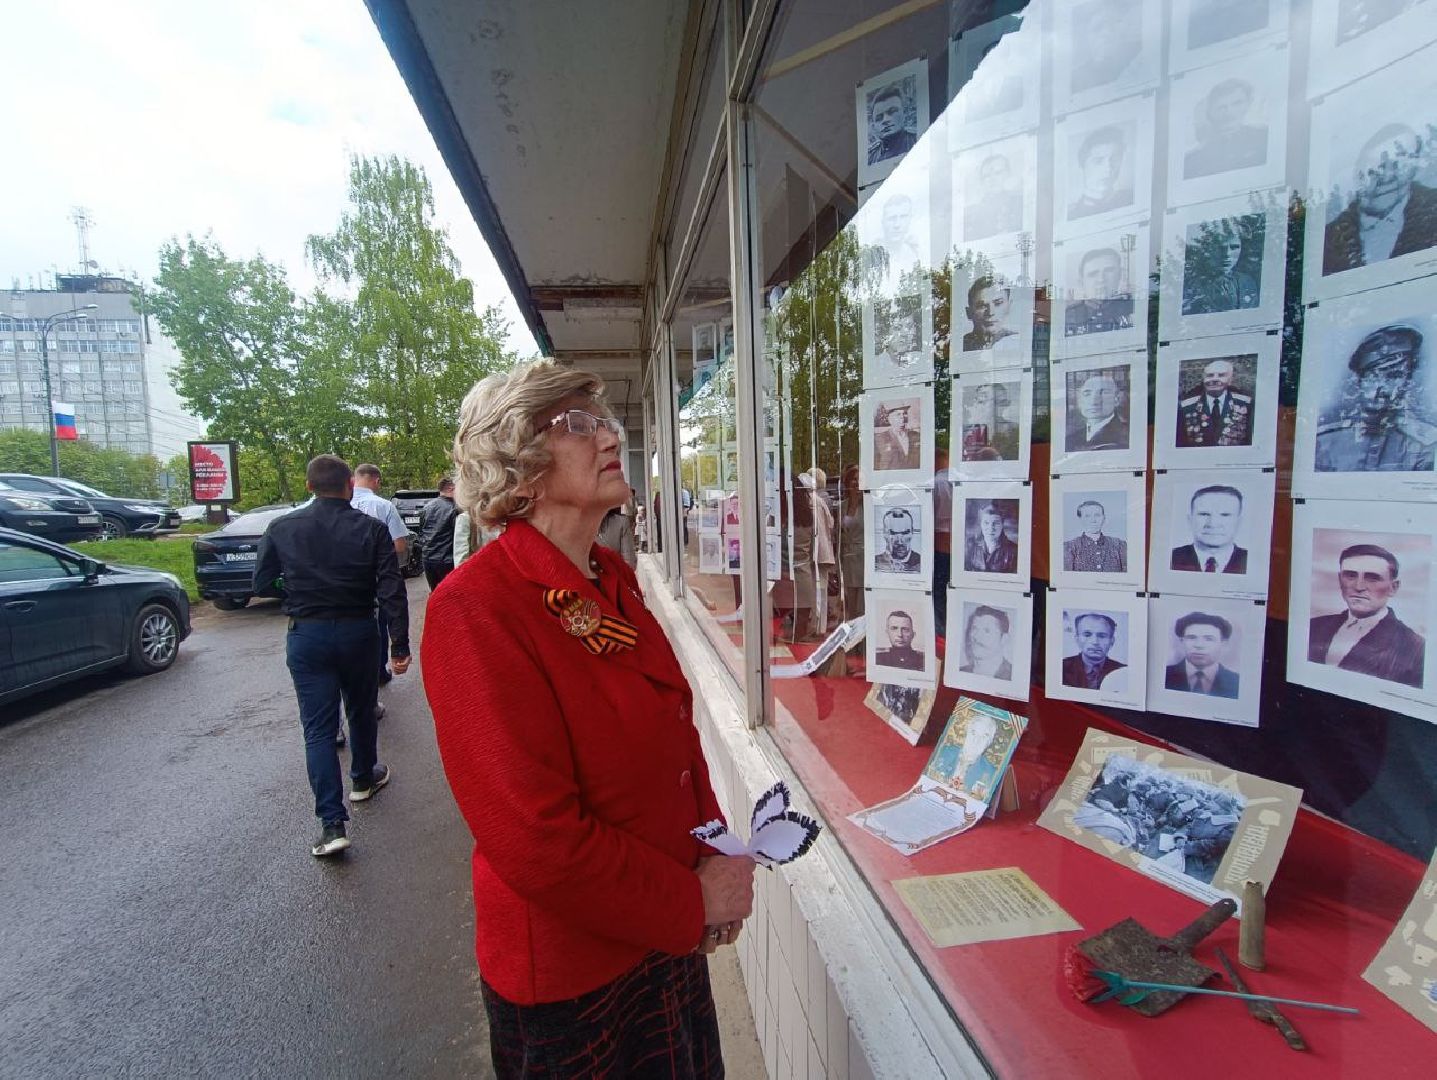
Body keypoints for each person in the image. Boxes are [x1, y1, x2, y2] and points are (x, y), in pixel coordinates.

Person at [421, 361, 755, 1076]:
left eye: (604, 422)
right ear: (518, 464)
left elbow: (674, 738)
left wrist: (713, 852)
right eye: (578, 424)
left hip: (658, 933)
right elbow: (534, 838)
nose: (608, 437)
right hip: (575, 976)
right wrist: (689, 899)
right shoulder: (474, 607)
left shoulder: (611, 575)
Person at [252, 454, 411, 857]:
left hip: (307, 634)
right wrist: (399, 645)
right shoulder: (372, 529)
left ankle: (331, 824)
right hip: (359, 631)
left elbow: (262, 582)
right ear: (349, 486)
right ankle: (363, 778)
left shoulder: (282, 527)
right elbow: (391, 588)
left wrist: (294, 588)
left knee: (319, 730)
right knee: (361, 709)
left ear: (309, 487)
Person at [1314, 324, 1437, 472]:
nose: (1381, 387)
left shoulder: (1424, 445)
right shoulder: (1326, 442)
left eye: (1394, 376)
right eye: (1373, 376)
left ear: (1406, 382)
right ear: (1359, 381)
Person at [1323, 122, 1437, 274]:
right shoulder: (1326, 241)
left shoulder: (1432, 213)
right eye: (1376, 165)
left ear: (1415, 168)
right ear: (1356, 172)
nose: (1388, 176)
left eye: (1400, 162)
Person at [1307, 543, 1426, 687]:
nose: (1359, 587)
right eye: (1350, 576)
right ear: (1340, 580)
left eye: (1372, 578)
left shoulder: (1416, 650)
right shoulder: (1313, 626)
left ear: (1393, 587)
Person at [350, 462, 408, 695]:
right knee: (379, 622)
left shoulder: (332, 504)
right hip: (376, 577)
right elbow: (400, 545)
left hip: (340, 585)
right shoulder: (383, 506)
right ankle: (379, 670)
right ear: (376, 481)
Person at [1183, 78, 1269, 179]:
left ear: (1249, 103)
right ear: (1210, 113)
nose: (1229, 112)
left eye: (1237, 103)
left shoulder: (1264, 136)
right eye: (1221, 107)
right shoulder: (1192, 159)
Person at [1182, 224, 1260, 315]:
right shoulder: (1193, 283)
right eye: (1220, 247)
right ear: (1210, 248)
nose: (1227, 254)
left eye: (1234, 247)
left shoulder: (1246, 281)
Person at [1176, 358, 1255, 447]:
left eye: (1221, 375)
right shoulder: (1186, 407)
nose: (1214, 379)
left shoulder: (1246, 404)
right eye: (1209, 375)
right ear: (1203, 379)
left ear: (1230, 380)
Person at [1071, 0, 1145, 93]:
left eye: (1112, 25)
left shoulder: (1141, 55)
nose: (1106, 33)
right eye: (1098, 28)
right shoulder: (1076, 78)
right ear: (1086, 38)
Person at [1171, 485, 1248, 573]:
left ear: (1239, 522)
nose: (1213, 524)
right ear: (1190, 520)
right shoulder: (1170, 558)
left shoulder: (1251, 562)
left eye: (1225, 515)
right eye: (1204, 514)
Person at [1165, 612, 1240, 698]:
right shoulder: (1165, 675)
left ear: (1223, 643)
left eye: (1209, 639)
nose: (1199, 645)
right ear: (1182, 641)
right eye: (1191, 638)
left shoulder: (1236, 682)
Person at [1064, 249, 1134, 338]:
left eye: (1109, 271)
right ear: (1081, 282)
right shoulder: (1070, 316)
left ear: (1120, 274)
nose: (1101, 279)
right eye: (1093, 274)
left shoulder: (1131, 308)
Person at [1068, 125, 1131, 220]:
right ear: (1082, 164)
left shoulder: (1130, 199)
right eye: (1098, 161)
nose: (1108, 168)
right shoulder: (1072, 216)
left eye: (1114, 159)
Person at [1066, 372, 1130, 452]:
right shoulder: (1070, 439)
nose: (1094, 401)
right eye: (1087, 393)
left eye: (1104, 392)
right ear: (1080, 399)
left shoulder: (1127, 436)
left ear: (1117, 399)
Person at [965, 152, 1024, 239]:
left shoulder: (1020, 202)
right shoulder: (973, 212)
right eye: (986, 176)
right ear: (982, 180)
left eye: (998, 173)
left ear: (1008, 173)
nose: (992, 179)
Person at [1061, 611, 1126, 689]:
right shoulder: (1061, 667)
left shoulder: (1124, 672)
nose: (1095, 642)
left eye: (1102, 636)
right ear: (1077, 639)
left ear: (1112, 641)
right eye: (1087, 635)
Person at [961, 277, 1022, 355]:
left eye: (998, 303)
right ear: (969, 313)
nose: (991, 312)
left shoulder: (1018, 342)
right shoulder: (960, 345)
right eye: (982, 306)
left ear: (1008, 307)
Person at [1063, 499, 1128, 572]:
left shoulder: (1119, 545)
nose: (1093, 520)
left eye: (1097, 515)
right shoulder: (1070, 547)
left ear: (1103, 518)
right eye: (1087, 516)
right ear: (1080, 519)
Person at [961, 381, 1020, 461]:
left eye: (999, 402)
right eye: (980, 400)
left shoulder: (1014, 429)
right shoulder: (965, 432)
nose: (990, 406)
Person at [419, 478, 460, 590]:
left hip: (428, 558)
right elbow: (459, 536)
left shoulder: (427, 507)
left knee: (435, 593)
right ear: (451, 488)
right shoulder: (455, 509)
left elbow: (421, 531)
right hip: (447, 560)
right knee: (451, 594)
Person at [838, 465, 865, 620]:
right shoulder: (842, 506)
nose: (856, 482)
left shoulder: (870, 505)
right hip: (847, 560)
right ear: (847, 483)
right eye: (853, 479)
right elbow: (840, 532)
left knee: (863, 607)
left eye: (859, 479)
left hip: (864, 560)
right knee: (851, 608)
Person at [867, 81, 917, 165]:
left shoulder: (917, 140)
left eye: (892, 111)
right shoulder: (871, 157)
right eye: (879, 118)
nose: (885, 120)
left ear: (904, 113)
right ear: (874, 125)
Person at [960, 605, 1013, 680]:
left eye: (987, 631)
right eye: (974, 628)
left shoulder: (1013, 676)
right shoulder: (960, 672)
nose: (976, 636)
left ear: (1004, 639)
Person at [964, 501, 1018, 573]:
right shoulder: (970, 545)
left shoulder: (1013, 550)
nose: (991, 528)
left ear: (1002, 525)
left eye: (996, 523)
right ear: (981, 524)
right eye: (986, 523)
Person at [874, 506, 921, 574]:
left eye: (905, 533)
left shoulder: (922, 562)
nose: (899, 541)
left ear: (912, 532)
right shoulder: (874, 562)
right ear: (884, 534)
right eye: (893, 533)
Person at [875, 403, 921, 471]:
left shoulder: (916, 436)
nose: (903, 418)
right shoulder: (879, 438)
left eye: (904, 413)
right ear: (889, 419)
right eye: (898, 414)